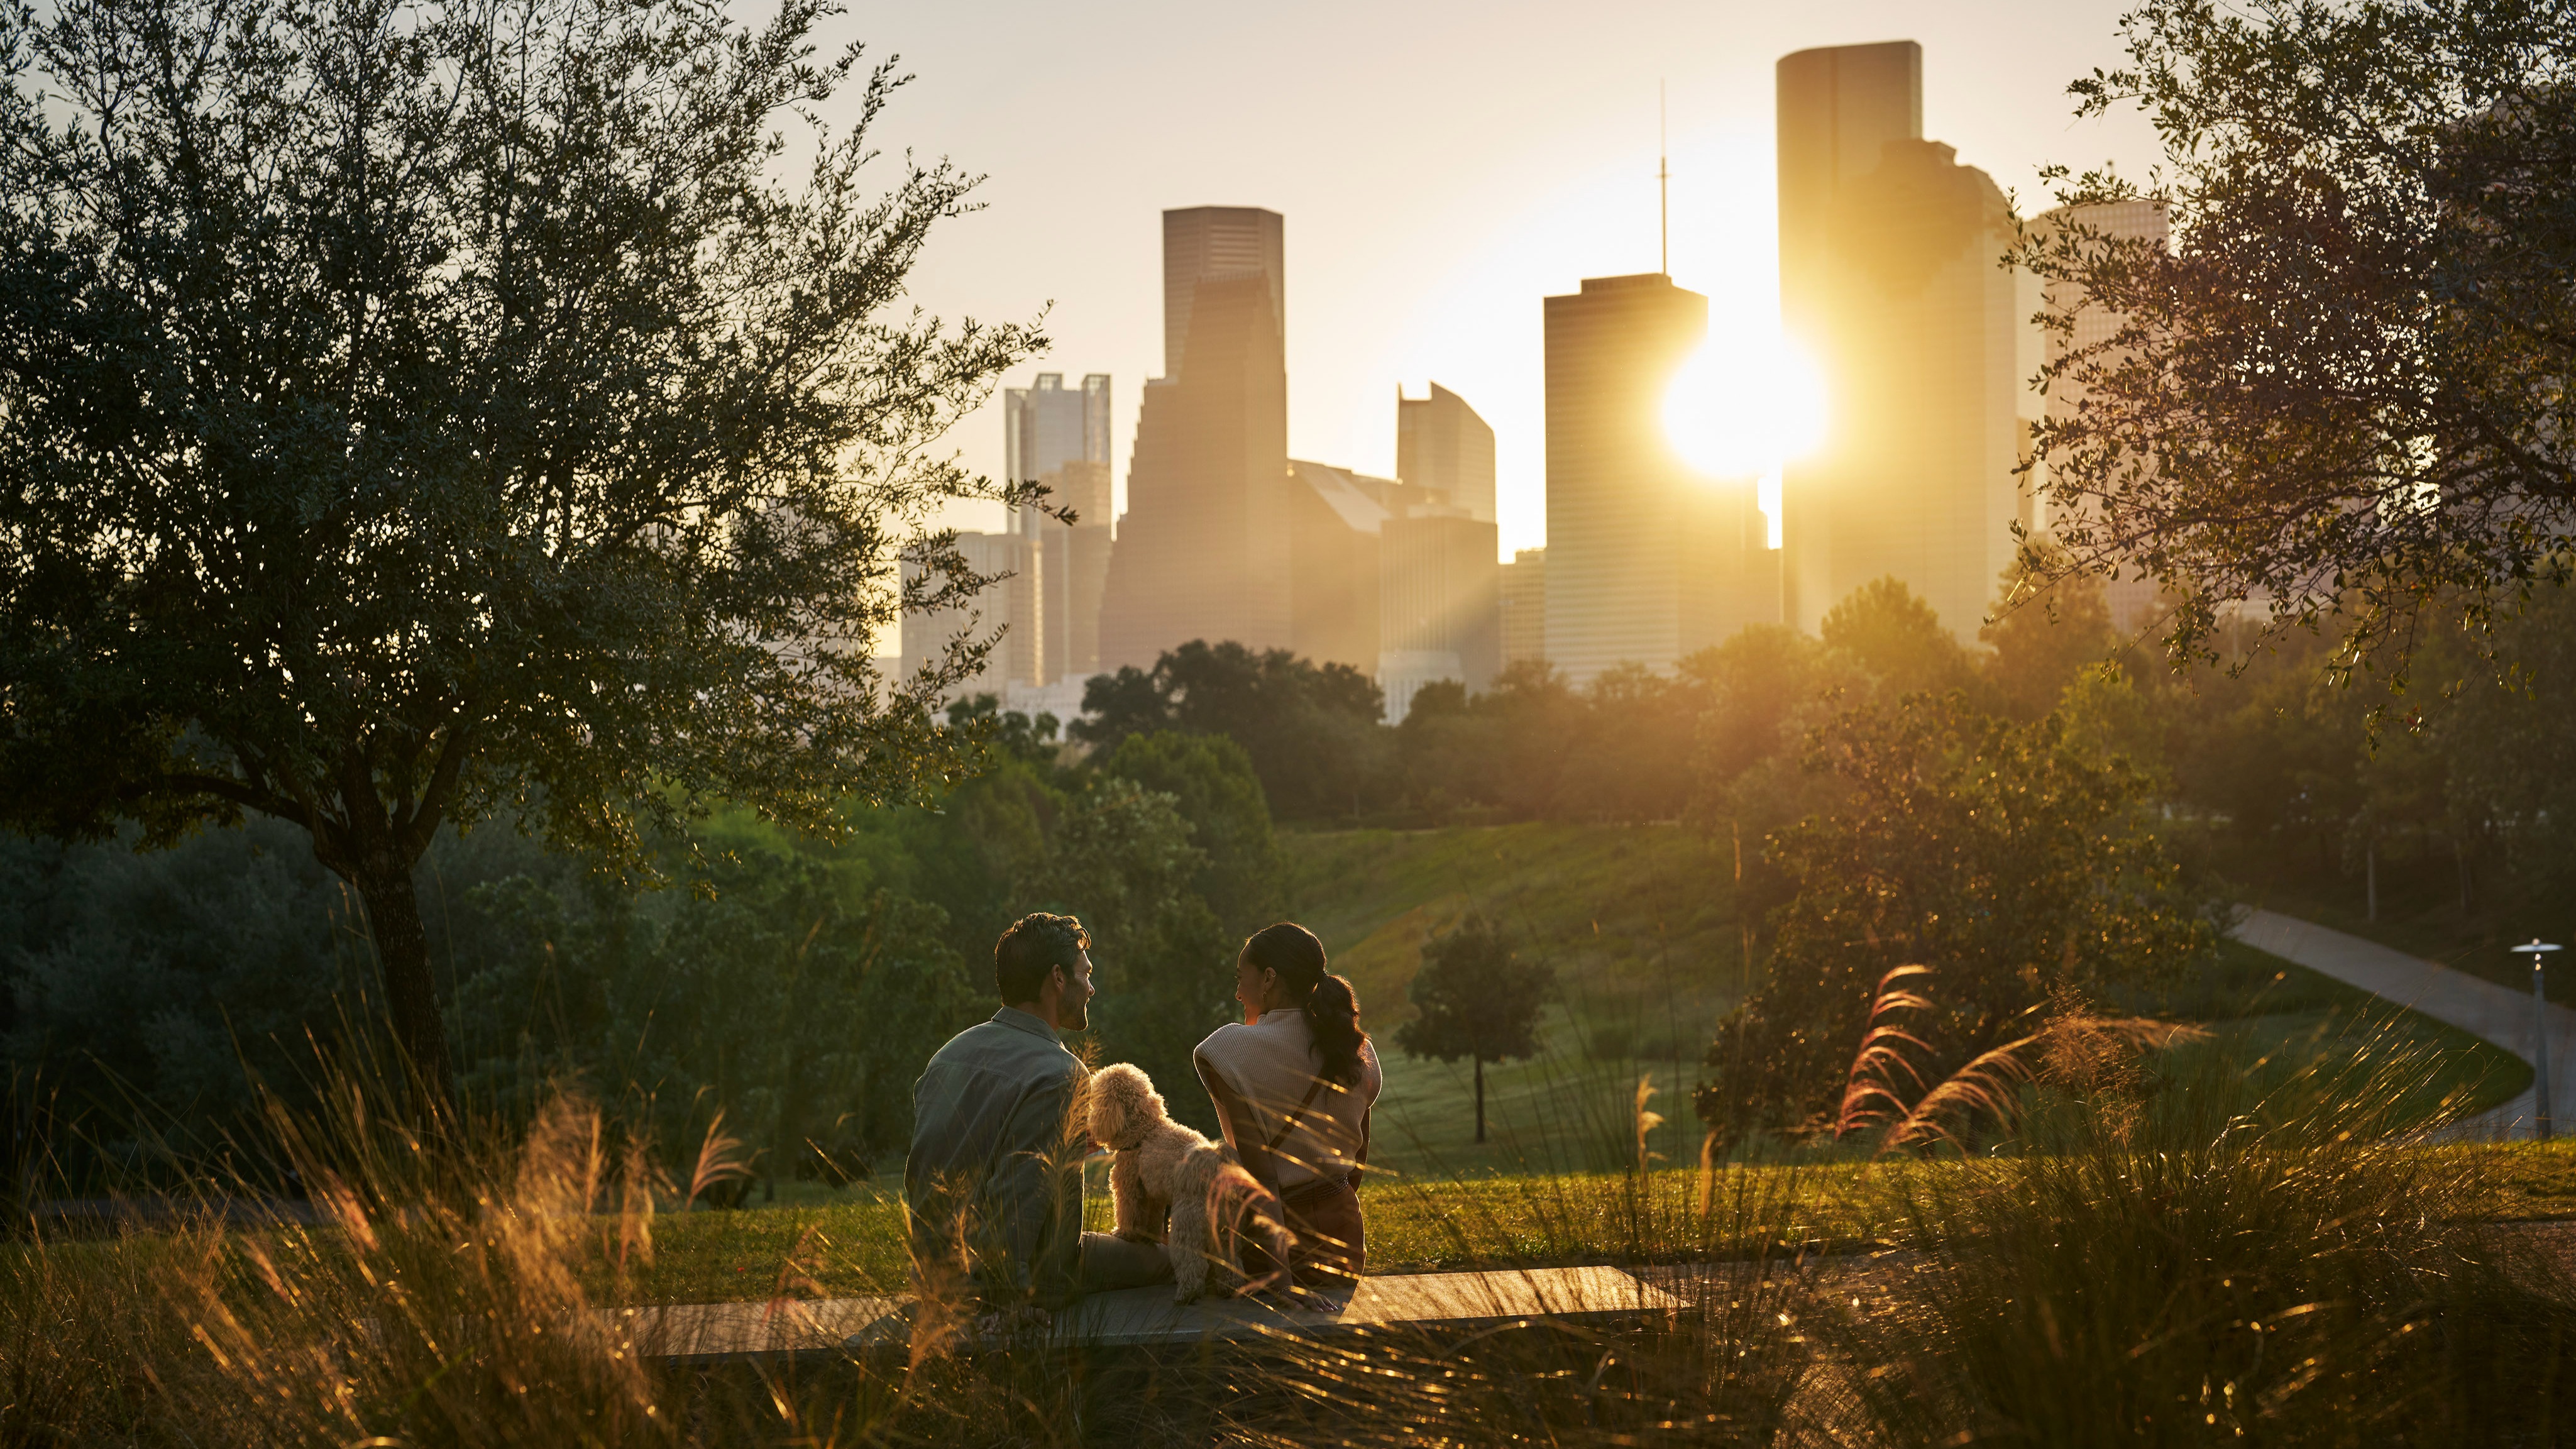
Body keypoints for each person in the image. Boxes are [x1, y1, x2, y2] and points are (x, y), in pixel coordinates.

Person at [905, 912, 1172, 1323]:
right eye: (1086, 973)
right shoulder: (1059, 1072)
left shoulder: (948, 1055)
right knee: (1169, 1257)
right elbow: (1020, 1192)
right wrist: (1004, 1304)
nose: (1091, 987)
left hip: (935, 1276)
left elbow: (925, 1171)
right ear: (1058, 978)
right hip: (1035, 1277)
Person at [1193, 922, 1380, 1304]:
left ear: (1268, 978)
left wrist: (1282, 1283)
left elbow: (1262, 1180)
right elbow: (1357, 1161)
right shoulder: (1354, 1048)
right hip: (1346, 1244)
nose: (1237, 992)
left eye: (1241, 977)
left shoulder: (1229, 1050)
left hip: (1276, 1250)